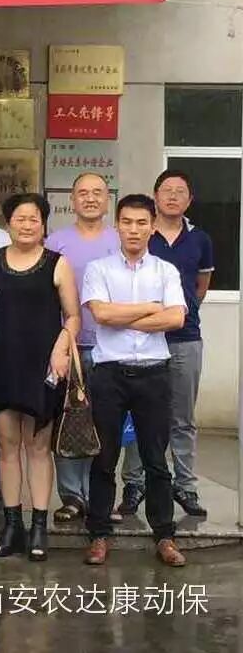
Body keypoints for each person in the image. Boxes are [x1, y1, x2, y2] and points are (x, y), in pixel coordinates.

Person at [81, 194, 188, 567]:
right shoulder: (98, 269)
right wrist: (149, 308)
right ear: (117, 225)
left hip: (153, 373)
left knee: (156, 460)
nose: (134, 230)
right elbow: (101, 315)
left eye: (142, 223)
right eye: (127, 222)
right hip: (109, 374)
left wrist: (123, 316)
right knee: (104, 457)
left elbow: (175, 318)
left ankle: (165, 536)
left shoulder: (165, 271)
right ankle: (98, 534)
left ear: (152, 227)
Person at [0, 193, 80, 562]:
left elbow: (73, 316)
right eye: (20, 218)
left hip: (44, 366)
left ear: (43, 224)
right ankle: (12, 524)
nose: (26, 225)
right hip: (0, 364)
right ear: (8, 224)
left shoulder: (57, 263)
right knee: (6, 446)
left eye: (34, 219)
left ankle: (39, 525)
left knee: (38, 448)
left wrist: (62, 349)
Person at [119, 170, 214, 519]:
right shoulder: (143, 233)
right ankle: (134, 483)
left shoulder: (200, 239)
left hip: (185, 338)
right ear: (155, 196)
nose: (173, 196)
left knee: (182, 417)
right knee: (137, 415)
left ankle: (185, 485)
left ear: (190, 199)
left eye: (180, 191)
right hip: (141, 339)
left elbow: (200, 288)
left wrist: (177, 314)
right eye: (166, 190)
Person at [44, 173, 120, 525]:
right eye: (83, 193)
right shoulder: (56, 242)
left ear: (107, 199)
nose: (90, 198)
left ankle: (99, 496)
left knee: (104, 424)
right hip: (67, 346)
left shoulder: (119, 240)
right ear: (72, 200)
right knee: (67, 420)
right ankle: (72, 496)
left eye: (97, 193)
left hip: (110, 348)